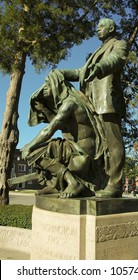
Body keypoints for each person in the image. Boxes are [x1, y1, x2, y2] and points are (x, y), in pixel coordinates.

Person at [47, 18, 128, 197]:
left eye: (101, 27)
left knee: (113, 142)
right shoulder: (96, 51)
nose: (97, 30)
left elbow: (116, 60)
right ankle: (97, 182)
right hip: (91, 103)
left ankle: (114, 185)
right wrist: (61, 72)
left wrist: (99, 67)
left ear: (111, 28)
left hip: (106, 102)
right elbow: (81, 72)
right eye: (97, 27)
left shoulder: (119, 44)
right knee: (99, 145)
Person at [21, 71, 108, 197]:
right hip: (75, 147)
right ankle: (57, 185)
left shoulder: (69, 104)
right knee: (44, 148)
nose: (44, 87)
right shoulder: (72, 102)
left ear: (56, 84)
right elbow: (60, 126)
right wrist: (43, 109)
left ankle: (73, 182)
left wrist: (29, 146)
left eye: (47, 84)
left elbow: (49, 130)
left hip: (81, 151)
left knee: (33, 153)